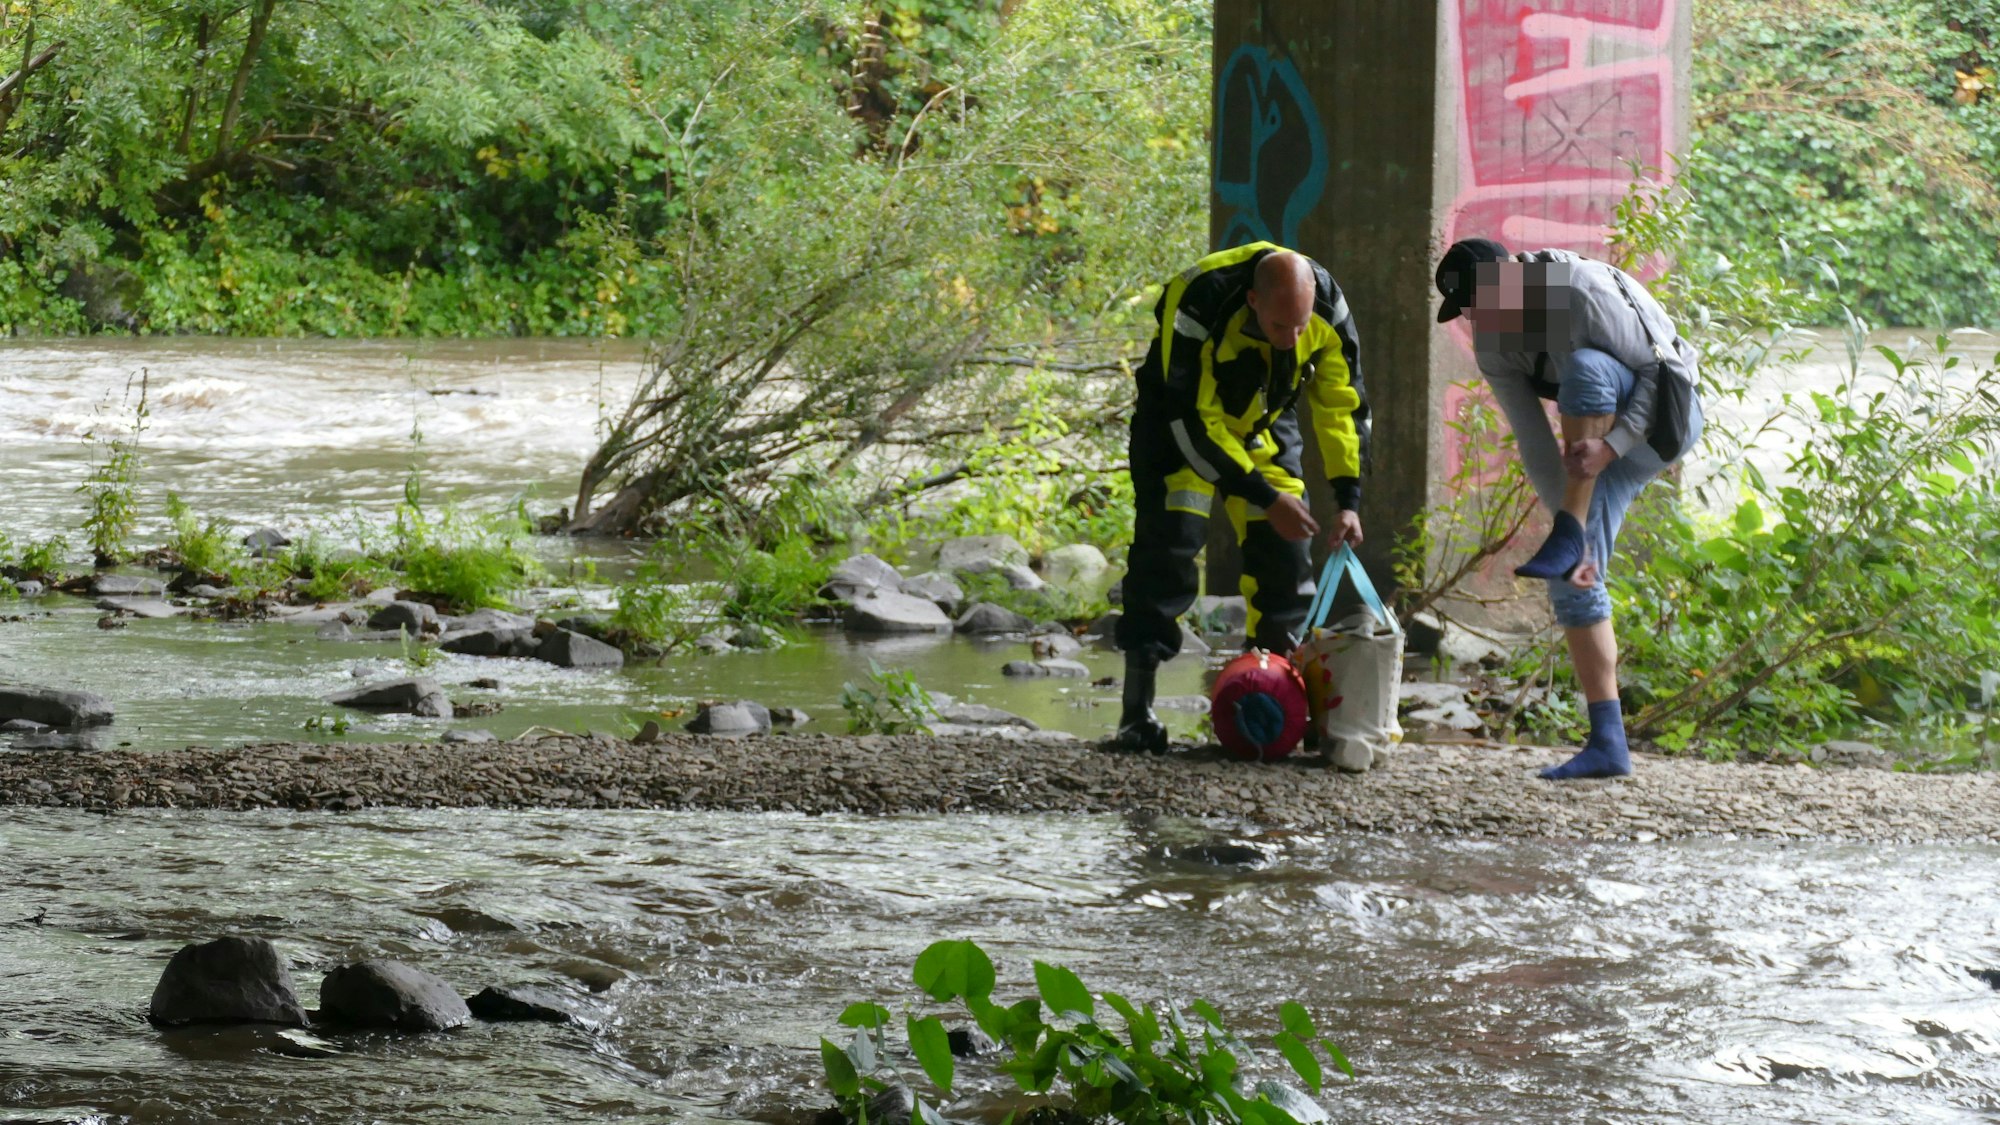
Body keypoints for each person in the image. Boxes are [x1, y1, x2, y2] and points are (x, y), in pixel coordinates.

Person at [1433, 237, 1704, 780]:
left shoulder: (1578, 292)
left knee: (1586, 367)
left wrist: (1613, 447)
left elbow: (1662, 374)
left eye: (1484, 302)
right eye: (1468, 310)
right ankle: (1608, 744)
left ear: (1511, 276)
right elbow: (1535, 441)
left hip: (1662, 421)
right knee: (1573, 575)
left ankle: (1571, 527)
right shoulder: (1493, 341)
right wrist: (1565, 522)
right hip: (1597, 443)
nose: (1478, 318)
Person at [1113, 242, 1370, 753]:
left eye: (1301, 330)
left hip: (1263, 423)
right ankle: (1136, 712)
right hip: (1179, 432)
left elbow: (1343, 408)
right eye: (1280, 329)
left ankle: (1273, 705)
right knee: (1168, 553)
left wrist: (1347, 498)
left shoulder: (1327, 310)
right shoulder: (1199, 304)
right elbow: (1191, 420)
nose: (1291, 341)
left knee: (1284, 565)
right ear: (1253, 300)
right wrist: (1263, 495)